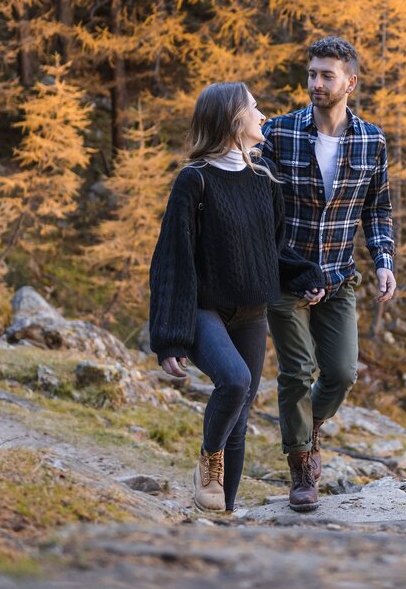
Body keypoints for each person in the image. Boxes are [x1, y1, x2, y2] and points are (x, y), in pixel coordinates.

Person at [148, 81, 325, 513]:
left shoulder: (264, 179)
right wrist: (169, 338)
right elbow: (171, 260)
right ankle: (209, 459)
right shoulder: (194, 181)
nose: (262, 114)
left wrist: (303, 274)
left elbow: (272, 249)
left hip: (252, 312)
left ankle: (222, 514)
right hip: (204, 309)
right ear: (233, 119)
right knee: (236, 381)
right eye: (254, 107)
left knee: (241, 420)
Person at [262, 36, 397, 512]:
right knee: (297, 371)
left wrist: (384, 261)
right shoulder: (279, 133)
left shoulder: (372, 141)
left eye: (327, 76)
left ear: (350, 83)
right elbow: (262, 211)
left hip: (340, 274)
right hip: (286, 275)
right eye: (312, 74)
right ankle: (301, 468)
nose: (316, 84)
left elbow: (377, 210)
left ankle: (308, 427)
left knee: (340, 373)